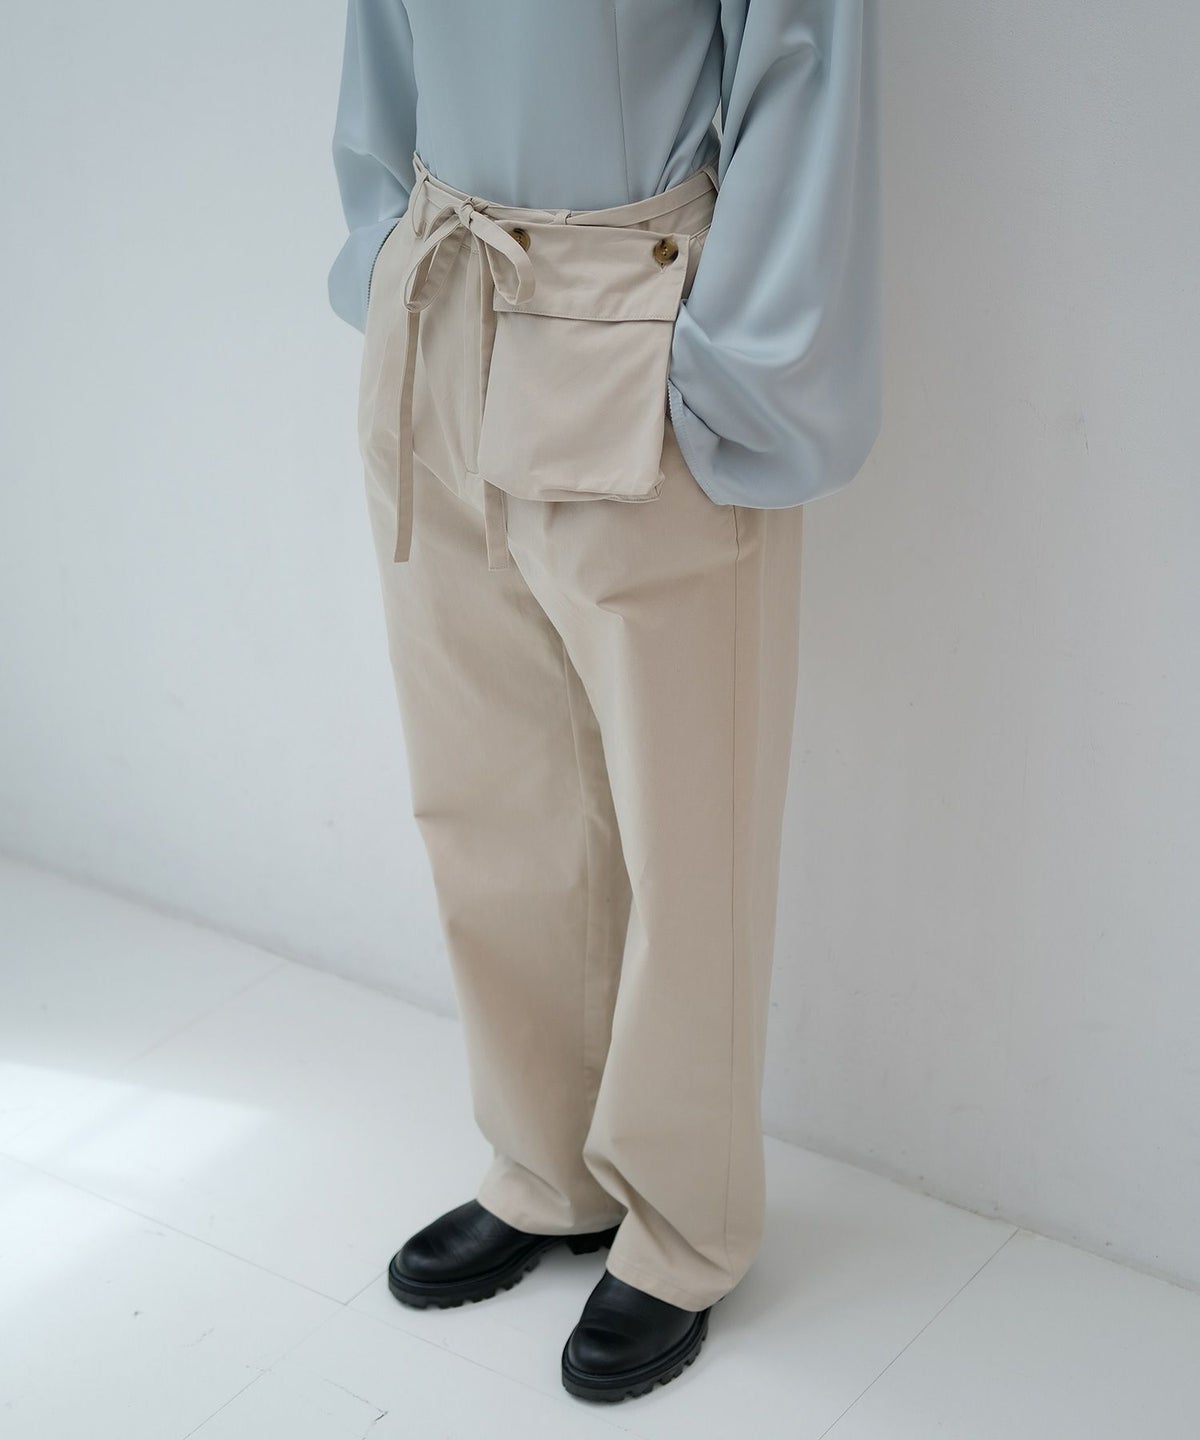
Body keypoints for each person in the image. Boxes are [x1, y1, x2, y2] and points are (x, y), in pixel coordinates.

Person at [327, 0, 880, 1405]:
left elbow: (803, 67)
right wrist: (385, 245)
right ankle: (545, 1165)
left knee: (693, 827)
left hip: (640, 320)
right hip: (445, 299)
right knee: (488, 786)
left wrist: (733, 364)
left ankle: (685, 1224)